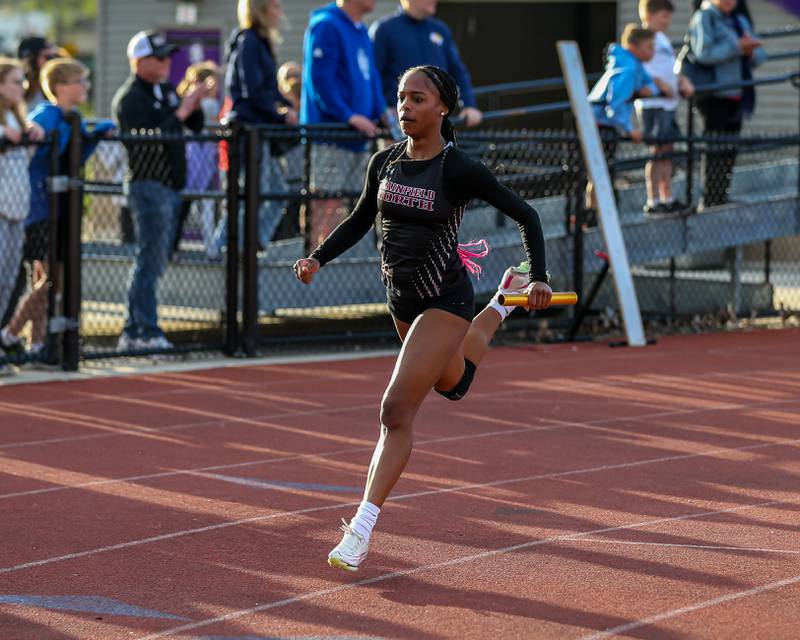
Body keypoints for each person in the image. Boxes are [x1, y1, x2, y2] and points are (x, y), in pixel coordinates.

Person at [293, 65, 552, 571]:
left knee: (395, 409)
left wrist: (539, 276)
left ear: (443, 108)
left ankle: (360, 531)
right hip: (402, 301)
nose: (405, 107)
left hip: (446, 297)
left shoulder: (458, 168)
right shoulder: (383, 162)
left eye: (417, 98)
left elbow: (528, 215)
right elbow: (360, 218)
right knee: (452, 383)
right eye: (400, 98)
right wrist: (318, 257)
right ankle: (501, 303)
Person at [1, 58, 114, 359]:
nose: (86, 87)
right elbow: (35, 142)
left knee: (48, 277)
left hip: (60, 207)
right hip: (38, 207)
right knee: (51, 277)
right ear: (62, 87)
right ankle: (10, 332)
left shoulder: (72, 116)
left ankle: (36, 342)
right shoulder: (46, 115)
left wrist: (92, 136)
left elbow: (73, 159)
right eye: (80, 81)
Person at [112, 30, 205, 350]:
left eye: (168, 56)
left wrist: (194, 103)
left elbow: (192, 124)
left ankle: (140, 327)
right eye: (160, 57)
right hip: (148, 184)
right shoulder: (130, 98)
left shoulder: (163, 90)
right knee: (149, 259)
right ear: (140, 61)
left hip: (171, 186)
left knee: (157, 259)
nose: (167, 63)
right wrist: (181, 111)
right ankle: (140, 331)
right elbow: (147, 140)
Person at [300, 0, 389, 249]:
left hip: (359, 137)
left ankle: (335, 257)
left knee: (354, 204)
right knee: (325, 201)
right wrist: (349, 116)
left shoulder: (360, 29)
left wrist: (382, 113)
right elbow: (320, 82)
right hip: (331, 135)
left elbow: (371, 79)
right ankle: (314, 259)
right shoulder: (326, 25)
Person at [215, 0, 296, 254]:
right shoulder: (248, 41)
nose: (279, 12)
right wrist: (281, 114)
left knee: (275, 192)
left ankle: (252, 244)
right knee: (250, 193)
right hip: (249, 130)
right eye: (274, 7)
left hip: (260, 130)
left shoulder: (260, 42)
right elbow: (252, 92)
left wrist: (286, 106)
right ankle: (223, 247)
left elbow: (269, 90)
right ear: (260, 10)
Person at [683, 0, 765, 209]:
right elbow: (703, 53)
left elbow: (759, 57)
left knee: (730, 146)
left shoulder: (739, 19)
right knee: (714, 146)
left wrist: (749, 50)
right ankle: (710, 198)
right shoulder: (704, 17)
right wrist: (737, 47)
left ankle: (722, 194)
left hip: (737, 92)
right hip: (713, 94)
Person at [585, 24, 660, 224]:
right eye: (649, 47)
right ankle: (593, 215)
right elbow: (615, 106)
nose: (652, 52)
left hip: (600, 124)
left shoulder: (631, 64)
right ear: (634, 47)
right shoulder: (628, 69)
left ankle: (595, 213)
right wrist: (630, 130)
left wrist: (647, 89)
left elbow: (649, 85)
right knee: (601, 171)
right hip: (599, 126)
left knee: (601, 170)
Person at [369, 0, 483, 128]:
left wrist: (469, 105)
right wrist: (383, 110)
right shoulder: (385, 29)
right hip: (400, 124)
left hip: (436, 122)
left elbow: (457, 70)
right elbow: (371, 76)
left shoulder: (440, 29)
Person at [0, 58, 44, 371]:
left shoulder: (18, 118)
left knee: (9, 282)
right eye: (16, 81)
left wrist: (31, 135)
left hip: (16, 211)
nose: (23, 87)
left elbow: (22, 162)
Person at [636, 0, 694, 216]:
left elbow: (668, 69)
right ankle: (653, 199)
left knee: (667, 151)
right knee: (657, 151)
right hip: (654, 104)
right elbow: (639, 68)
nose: (668, 22)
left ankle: (667, 196)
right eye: (664, 17)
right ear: (649, 15)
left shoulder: (661, 39)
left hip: (667, 104)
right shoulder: (642, 39)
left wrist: (680, 82)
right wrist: (659, 85)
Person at [175, 61, 221, 257]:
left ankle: (208, 246)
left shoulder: (192, 100)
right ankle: (210, 247)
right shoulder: (205, 103)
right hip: (199, 155)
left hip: (201, 154)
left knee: (200, 202)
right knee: (201, 202)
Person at [17, 36, 58, 110]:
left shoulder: (57, 84)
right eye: (48, 57)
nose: (53, 62)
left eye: (54, 57)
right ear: (30, 59)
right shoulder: (14, 85)